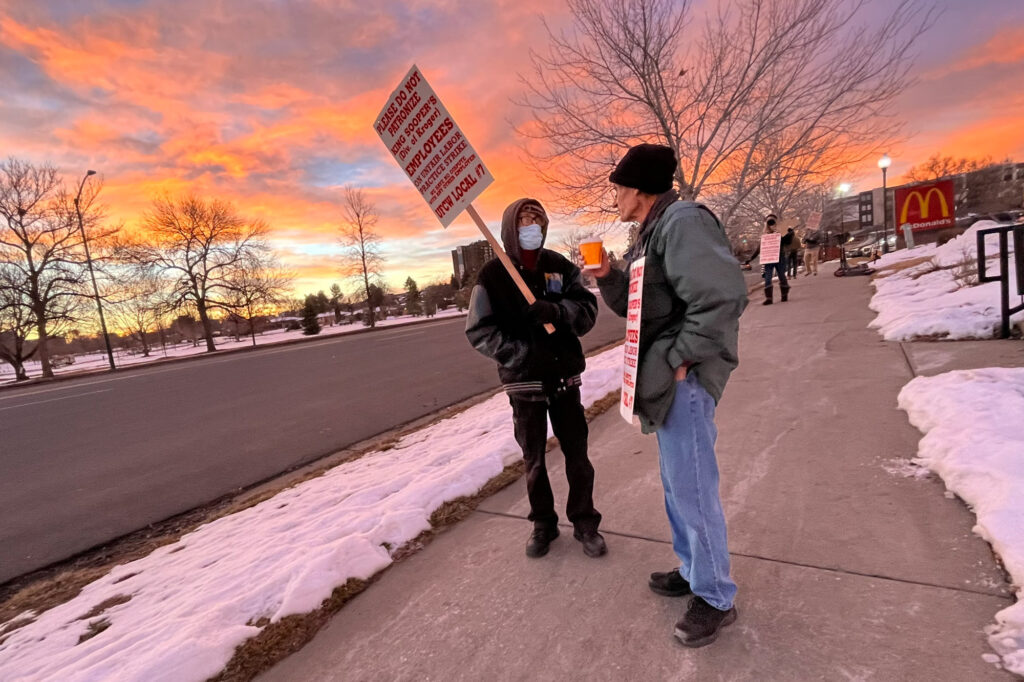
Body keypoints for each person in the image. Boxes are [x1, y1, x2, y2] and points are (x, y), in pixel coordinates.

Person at [591, 144, 748, 647]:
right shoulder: (649, 233)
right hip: (662, 381)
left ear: (637, 188)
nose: (614, 195)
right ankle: (692, 568)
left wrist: (681, 358)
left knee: (694, 485)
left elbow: (722, 297)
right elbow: (641, 310)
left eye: (617, 186)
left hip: (683, 380)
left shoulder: (682, 222)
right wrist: (608, 278)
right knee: (677, 484)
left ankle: (716, 596)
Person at [465, 198, 606, 559]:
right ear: (511, 228)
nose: (532, 227)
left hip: (564, 379)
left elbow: (588, 312)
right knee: (534, 459)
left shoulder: (558, 267)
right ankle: (543, 524)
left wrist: (558, 311)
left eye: (537, 221)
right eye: (524, 221)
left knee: (578, 455)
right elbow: (480, 330)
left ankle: (585, 522)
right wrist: (521, 355)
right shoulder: (492, 276)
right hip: (524, 384)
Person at [744, 214, 790, 304]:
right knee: (768, 277)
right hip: (768, 258)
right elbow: (759, 248)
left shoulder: (781, 232)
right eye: (770, 223)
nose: (771, 224)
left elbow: (788, 242)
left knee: (781, 275)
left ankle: (784, 294)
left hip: (779, 257)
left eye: (773, 222)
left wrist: (788, 233)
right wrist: (750, 258)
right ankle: (769, 298)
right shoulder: (765, 235)